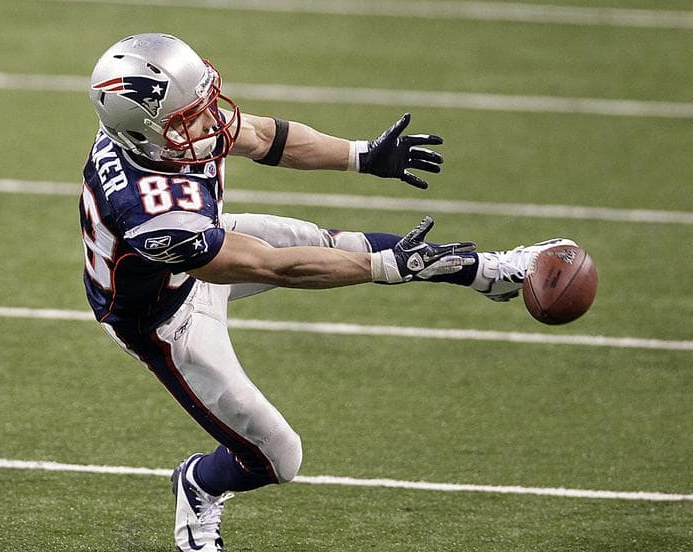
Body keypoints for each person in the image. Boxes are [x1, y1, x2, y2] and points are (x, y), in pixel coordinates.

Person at [80, 33, 574, 551]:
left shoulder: (161, 131)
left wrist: (363, 156)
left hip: (202, 246)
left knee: (327, 241)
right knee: (278, 457)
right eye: (190, 118)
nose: (211, 121)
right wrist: (381, 268)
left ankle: (492, 270)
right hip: (164, 315)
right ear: (146, 132)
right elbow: (277, 268)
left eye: (204, 104)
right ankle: (200, 484)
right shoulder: (153, 212)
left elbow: (265, 136)